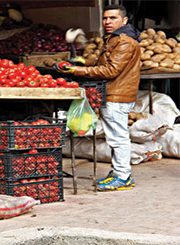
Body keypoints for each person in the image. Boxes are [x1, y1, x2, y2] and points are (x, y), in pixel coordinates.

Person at [55, 4, 141, 191]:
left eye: (113, 18)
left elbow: (111, 70)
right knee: (117, 136)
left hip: (116, 95)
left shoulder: (124, 41)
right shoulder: (115, 39)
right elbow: (107, 63)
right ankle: (121, 173)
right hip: (114, 93)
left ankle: (122, 176)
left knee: (118, 138)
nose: (108, 22)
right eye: (105, 18)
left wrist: (78, 70)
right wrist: (83, 62)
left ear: (124, 20)